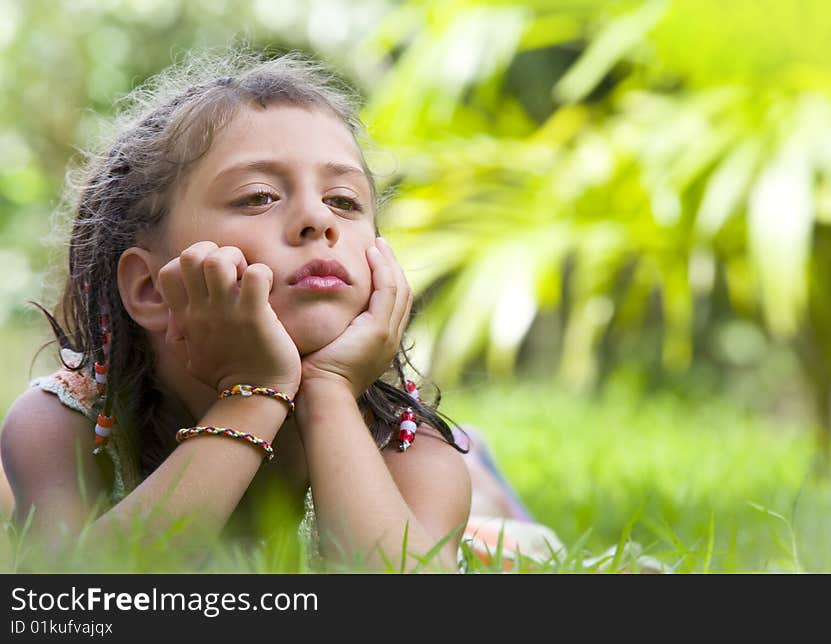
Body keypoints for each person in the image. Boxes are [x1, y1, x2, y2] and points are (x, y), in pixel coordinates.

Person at [0, 48, 567, 574]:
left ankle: (484, 478)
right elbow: (77, 593)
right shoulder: (65, 424)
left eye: (344, 201)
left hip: (456, 495)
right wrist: (254, 394)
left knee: (519, 546)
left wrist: (329, 391)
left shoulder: (407, 442)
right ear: (150, 288)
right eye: (258, 197)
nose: (319, 221)